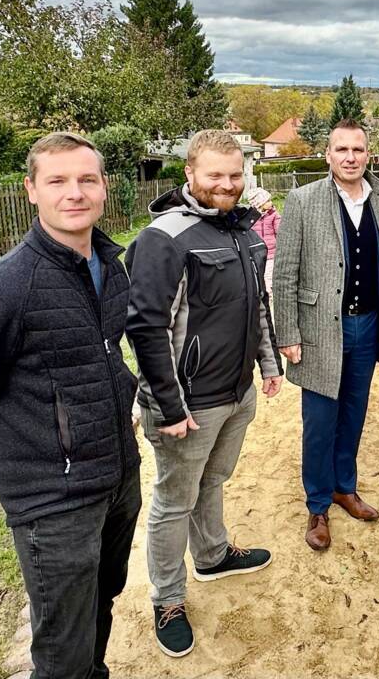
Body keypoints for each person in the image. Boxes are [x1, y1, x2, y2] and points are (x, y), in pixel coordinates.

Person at [0, 133, 141, 679]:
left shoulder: (109, 264)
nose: (74, 193)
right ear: (31, 190)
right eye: (57, 181)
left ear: (103, 188)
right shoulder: (5, 287)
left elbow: (99, 354)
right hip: (54, 499)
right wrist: (9, 471)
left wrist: (127, 396)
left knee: (100, 604)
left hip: (117, 474)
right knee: (63, 649)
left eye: (86, 179)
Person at [125, 129, 283, 658]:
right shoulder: (164, 238)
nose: (227, 185)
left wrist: (268, 364)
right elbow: (146, 328)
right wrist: (168, 406)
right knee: (173, 501)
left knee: (214, 480)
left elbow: (257, 305)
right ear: (189, 174)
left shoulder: (243, 232)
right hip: (187, 405)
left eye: (236, 175)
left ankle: (213, 555)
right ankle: (167, 598)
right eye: (215, 175)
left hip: (236, 392)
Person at [273, 119, 379, 551]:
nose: (350, 157)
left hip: (368, 324)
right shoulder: (303, 199)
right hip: (319, 329)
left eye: (358, 150)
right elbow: (286, 270)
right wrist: (287, 332)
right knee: (319, 421)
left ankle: (343, 487)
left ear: (368, 154)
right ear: (328, 154)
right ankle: (317, 505)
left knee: (354, 411)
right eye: (342, 150)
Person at [248, 186, 281, 294]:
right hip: (256, 252)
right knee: (259, 273)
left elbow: (279, 231)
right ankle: (261, 292)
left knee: (269, 275)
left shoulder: (273, 215)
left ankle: (269, 294)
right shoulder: (251, 217)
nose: (271, 202)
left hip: (271, 252)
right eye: (267, 201)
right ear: (259, 204)